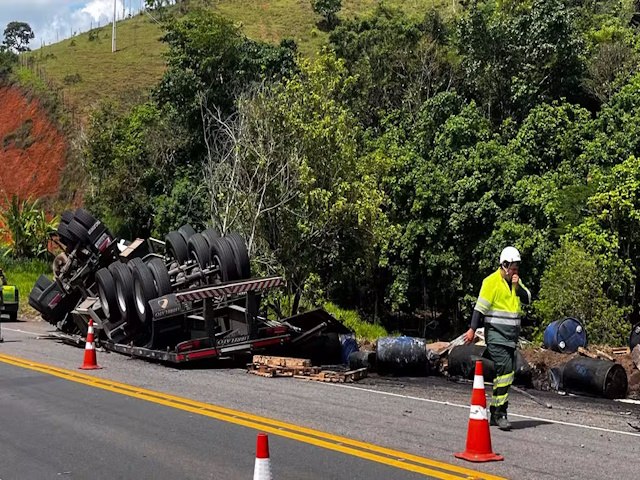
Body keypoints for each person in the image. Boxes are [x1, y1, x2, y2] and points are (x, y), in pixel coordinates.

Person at [463, 246, 531, 431]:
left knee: (506, 374)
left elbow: (527, 298)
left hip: (511, 338)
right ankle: (501, 413)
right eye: (513, 268)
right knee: (506, 370)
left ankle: (495, 411)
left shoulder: (516, 283)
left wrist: (517, 287)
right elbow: (480, 308)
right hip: (495, 335)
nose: (516, 272)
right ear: (505, 265)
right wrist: (472, 329)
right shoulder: (491, 282)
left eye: (517, 269)